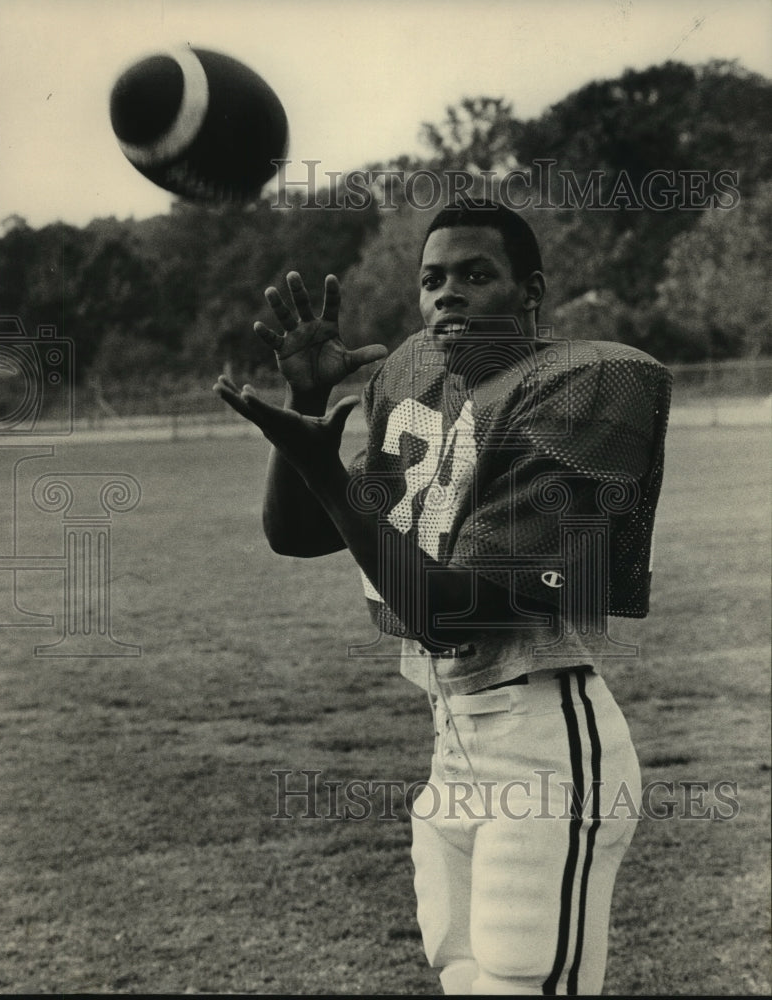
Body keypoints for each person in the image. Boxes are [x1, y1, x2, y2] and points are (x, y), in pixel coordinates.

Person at [214, 199, 672, 995]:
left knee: (520, 981)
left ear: (529, 290)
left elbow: (449, 612)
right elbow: (300, 534)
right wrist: (309, 411)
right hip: (450, 744)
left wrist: (326, 470)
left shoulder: (584, 386)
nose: (446, 296)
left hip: (543, 748)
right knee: (461, 977)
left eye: (474, 275)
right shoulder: (420, 386)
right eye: (431, 281)